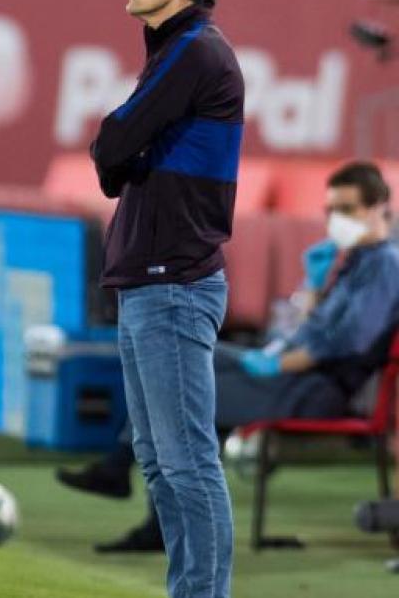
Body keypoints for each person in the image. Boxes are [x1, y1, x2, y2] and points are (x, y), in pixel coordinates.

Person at [60, 161, 399, 552]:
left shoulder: (385, 266)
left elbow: (348, 341)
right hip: (287, 369)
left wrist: (277, 363)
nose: (335, 219)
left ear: (379, 207)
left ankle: (130, 485)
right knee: (172, 353)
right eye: (330, 210)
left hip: (317, 387)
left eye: (347, 209)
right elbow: (302, 328)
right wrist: (312, 290)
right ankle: (125, 476)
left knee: (177, 389)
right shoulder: (352, 261)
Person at [90, 0, 242, 598]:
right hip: (151, 284)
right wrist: (120, 157)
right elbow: (117, 156)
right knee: (159, 463)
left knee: (186, 464)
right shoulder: (173, 52)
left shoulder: (195, 50)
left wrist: (120, 155)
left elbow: (114, 140)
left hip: (173, 283)